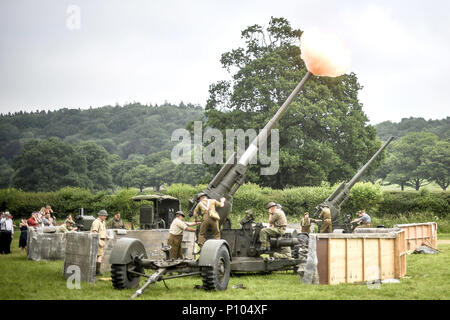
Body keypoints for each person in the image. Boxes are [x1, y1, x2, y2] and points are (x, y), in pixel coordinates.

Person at [90, 209, 109, 276]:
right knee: (99, 256)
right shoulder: (96, 222)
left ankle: (95, 271)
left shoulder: (103, 222)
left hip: (102, 239)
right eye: (104, 216)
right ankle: (97, 271)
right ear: (100, 215)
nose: (105, 217)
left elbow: (103, 230)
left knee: (99, 255)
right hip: (97, 240)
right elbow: (94, 232)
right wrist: (99, 241)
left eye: (105, 216)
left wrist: (106, 236)